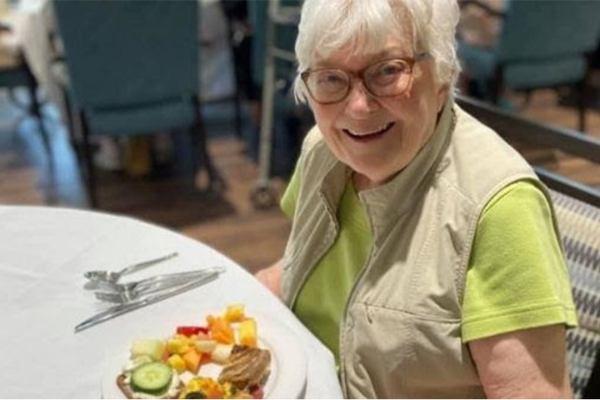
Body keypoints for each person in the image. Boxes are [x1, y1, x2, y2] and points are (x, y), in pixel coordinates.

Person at [255, 0, 578, 398]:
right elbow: (301, 267)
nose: (357, 107)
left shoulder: (501, 211)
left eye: (388, 71)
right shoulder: (323, 151)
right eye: (330, 78)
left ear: (442, 76)